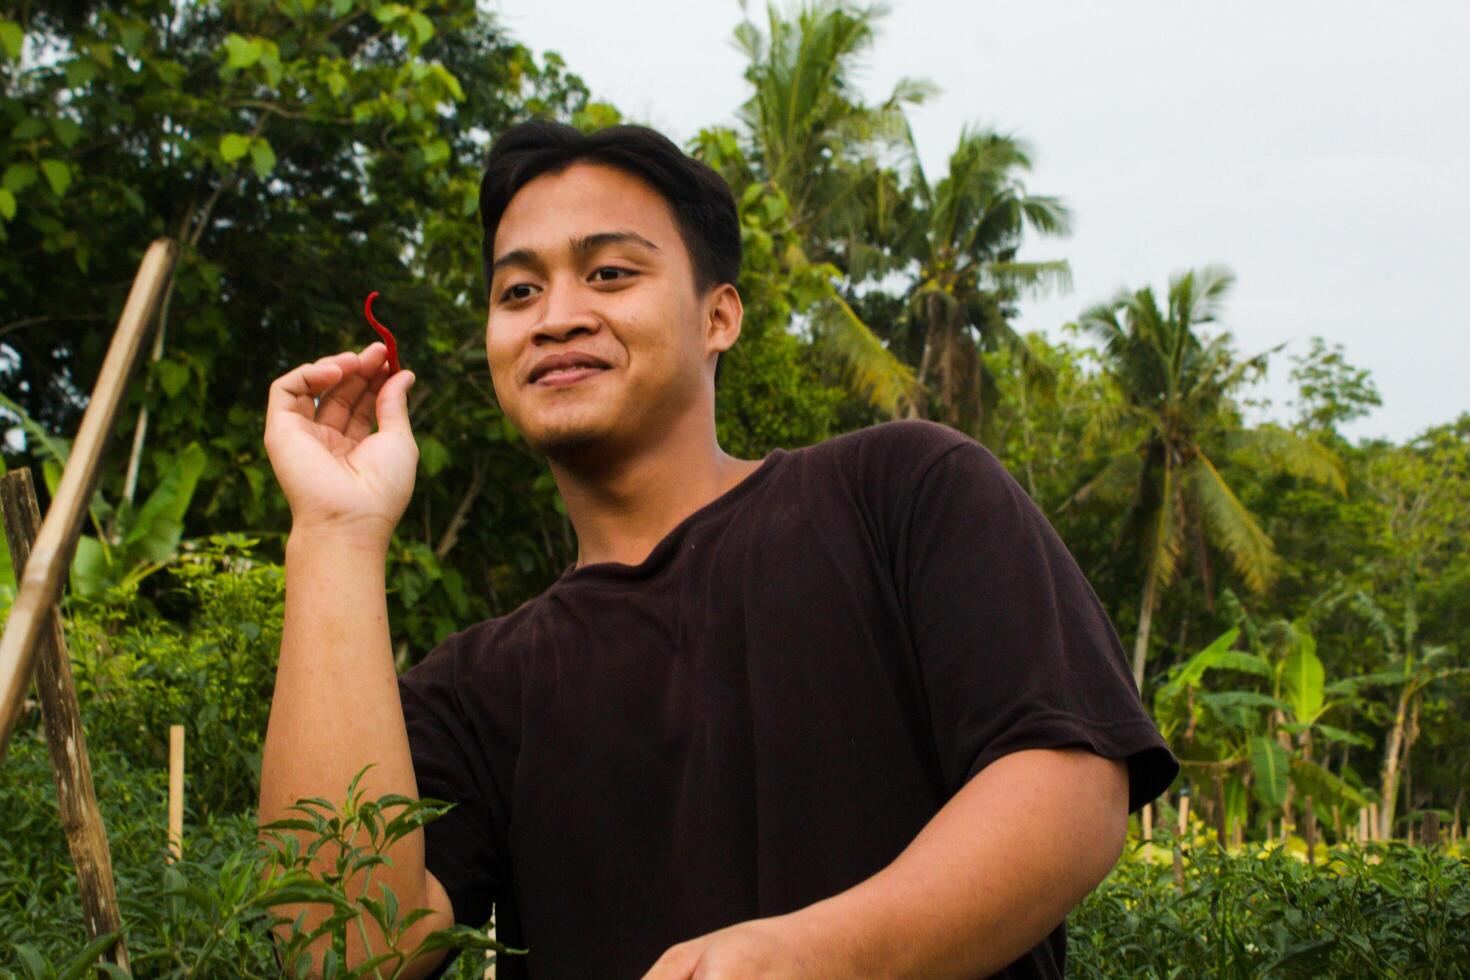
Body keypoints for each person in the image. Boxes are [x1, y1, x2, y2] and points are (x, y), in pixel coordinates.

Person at [260, 120, 1178, 980]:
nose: (556, 316)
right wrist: (336, 534)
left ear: (719, 317)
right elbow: (346, 951)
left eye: (611, 274)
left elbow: (1068, 789)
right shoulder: (473, 692)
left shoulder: (901, 492)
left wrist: (813, 957)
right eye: (519, 291)